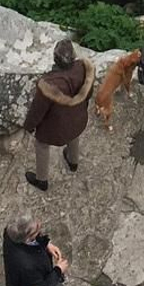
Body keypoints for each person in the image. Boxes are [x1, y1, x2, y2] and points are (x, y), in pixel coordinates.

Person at [23, 39, 94, 192]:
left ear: (55, 59)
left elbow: (37, 111)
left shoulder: (49, 84)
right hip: (78, 119)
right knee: (74, 134)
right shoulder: (84, 68)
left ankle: (42, 180)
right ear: (74, 56)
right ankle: (73, 162)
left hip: (55, 130)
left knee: (41, 145)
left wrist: (28, 127)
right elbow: (88, 94)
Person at [2, 215, 66, 286]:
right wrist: (58, 270)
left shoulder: (10, 232)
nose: (39, 224)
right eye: (36, 230)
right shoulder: (27, 266)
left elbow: (31, 237)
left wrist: (46, 243)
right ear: (28, 239)